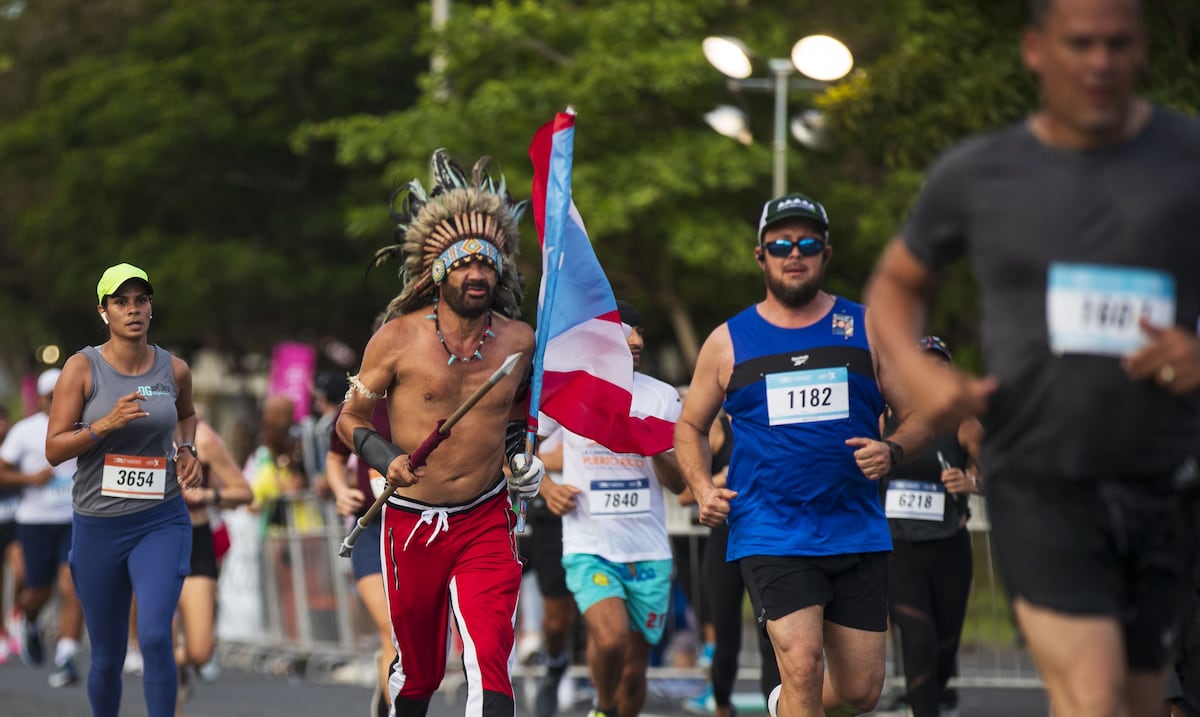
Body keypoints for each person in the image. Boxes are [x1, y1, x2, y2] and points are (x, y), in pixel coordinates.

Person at [863, 1, 1200, 715]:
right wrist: (922, 375)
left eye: (1118, 44)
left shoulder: (1186, 158)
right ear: (1035, 49)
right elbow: (894, 285)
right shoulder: (980, 173)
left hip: (1162, 480)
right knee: (1093, 696)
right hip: (1042, 479)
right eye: (1080, 43)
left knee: (1143, 702)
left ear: (1142, 49)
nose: (1100, 62)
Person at [675, 192, 929, 717]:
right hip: (770, 529)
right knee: (804, 664)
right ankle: (793, 695)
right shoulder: (728, 341)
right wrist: (702, 488)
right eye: (782, 244)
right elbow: (690, 425)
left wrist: (892, 448)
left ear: (825, 254)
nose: (795, 253)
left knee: (861, 690)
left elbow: (920, 414)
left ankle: (781, 705)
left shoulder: (867, 328)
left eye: (808, 243)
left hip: (855, 528)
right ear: (761, 255)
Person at [335, 149, 542, 717]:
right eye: (464, 263)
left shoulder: (520, 341)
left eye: (487, 264)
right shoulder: (396, 338)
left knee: (489, 661)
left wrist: (523, 458)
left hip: (486, 521)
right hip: (410, 525)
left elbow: (521, 418)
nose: (477, 273)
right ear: (438, 270)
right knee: (418, 675)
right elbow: (348, 419)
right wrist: (385, 456)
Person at [44, 262, 203, 717]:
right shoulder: (81, 368)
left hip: (161, 520)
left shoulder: (174, 369)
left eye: (141, 300)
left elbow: (187, 414)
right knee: (109, 654)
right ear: (104, 311)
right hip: (98, 525)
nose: (133, 309)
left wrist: (187, 448)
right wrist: (105, 424)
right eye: (121, 302)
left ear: (151, 307)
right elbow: (54, 450)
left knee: (155, 637)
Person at [537, 300, 686, 717]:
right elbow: (516, 451)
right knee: (611, 638)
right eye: (624, 331)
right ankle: (602, 708)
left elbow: (678, 483)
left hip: (649, 552)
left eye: (639, 331)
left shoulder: (662, 397)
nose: (636, 340)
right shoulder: (571, 392)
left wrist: (651, 445)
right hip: (590, 545)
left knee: (635, 670)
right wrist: (547, 488)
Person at [879, 337, 983, 717]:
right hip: (898, 548)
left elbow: (994, 474)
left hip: (949, 547)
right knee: (918, 639)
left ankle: (929, 701)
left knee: (943, 646)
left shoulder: (962, 422)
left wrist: (970, 483)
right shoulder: (885, 418)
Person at [680, 410, 781, 717]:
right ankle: (722, 706)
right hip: (725, 542)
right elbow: (685, 495)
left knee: (773, 640)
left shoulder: (777, 421)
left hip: (768, 540)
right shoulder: (715, 428)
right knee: (726, 643)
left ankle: (776, 709)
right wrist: (722, 479)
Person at [0, 368, 86, 686]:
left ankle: (66, 658)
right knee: (37, 591)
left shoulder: (82, 426)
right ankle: (30, 620)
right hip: (35, 521)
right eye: (52, 395)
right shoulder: (24, 431)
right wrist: (30, 479)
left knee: (71, 583)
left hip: (73, 519)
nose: (59, 400)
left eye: (66, 392)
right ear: (40, 398)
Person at [175, 409, 252, 705]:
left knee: (200, 650)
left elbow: (244, 492)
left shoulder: (203, 439)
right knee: (160, 640)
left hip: (196, 542)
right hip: (153, 542)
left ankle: (178, 665)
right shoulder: (141, 435)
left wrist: (206, 497)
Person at [326, 397, 395, 717]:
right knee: (391, 628)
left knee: (408, 638)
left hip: (417, 527)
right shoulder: (357, 404)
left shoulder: (430, 393)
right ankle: (395, 708)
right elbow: (334, 458)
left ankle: (387, 697)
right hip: (371, 527)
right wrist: (341, 491)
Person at [515, 427, 579, 717]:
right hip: (517, 508)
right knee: (499, 601)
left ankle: (556, 663)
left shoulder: (567, 394)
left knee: (557, 617)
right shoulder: (515, 394)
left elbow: (571, 457)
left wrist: (529, 459)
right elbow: (505, 458)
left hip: (559, 514)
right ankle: (510, 664)